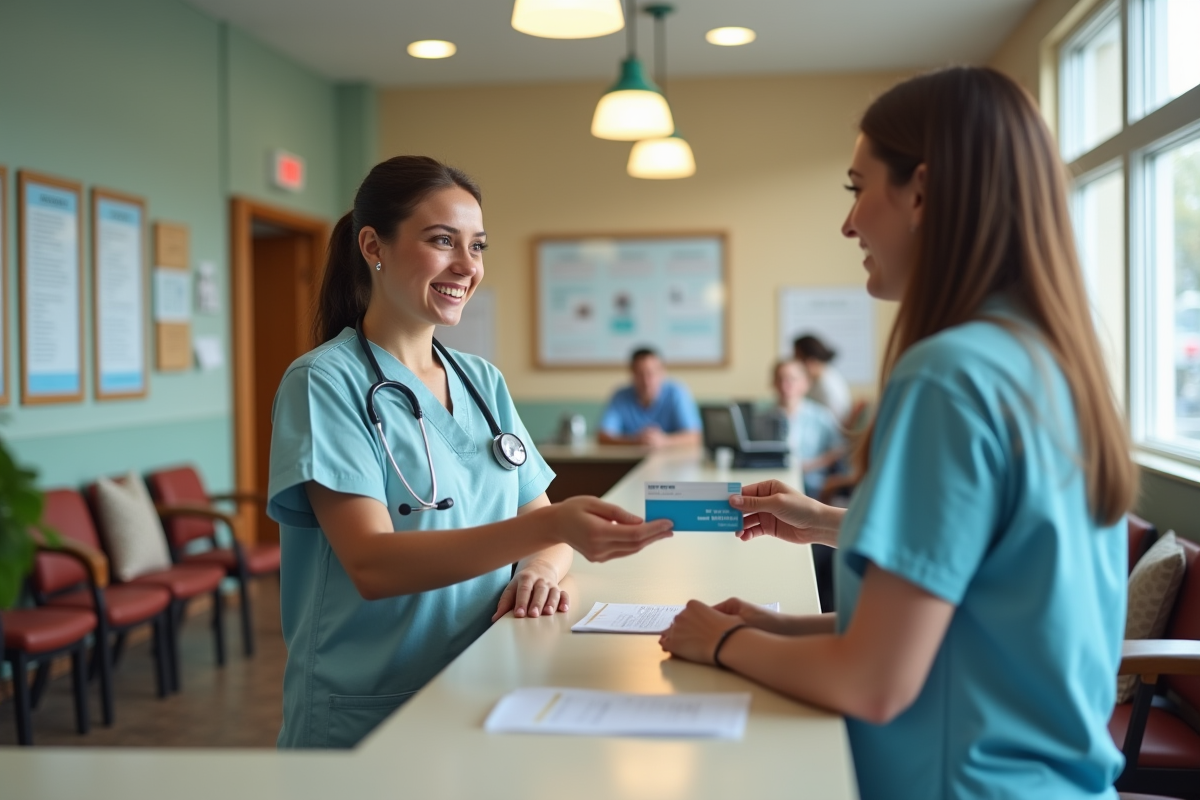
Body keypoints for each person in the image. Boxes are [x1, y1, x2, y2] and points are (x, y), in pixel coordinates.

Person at [660, 67, 1135, 800]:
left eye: (856, 189)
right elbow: (975, 623)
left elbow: (874, 682)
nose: (849, 225)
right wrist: (773, 626)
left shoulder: (949, 373)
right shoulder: (1047, 359)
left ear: (921, 190)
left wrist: (722, 642)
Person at [267, 156, 674, 749]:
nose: (467, 266)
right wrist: (552, 528)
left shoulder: (482, 382)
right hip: (371, 707)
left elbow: (544, 527)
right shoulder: (324, 382)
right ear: (373, 245)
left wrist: (540, 567)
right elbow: (373, 564)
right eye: (442, 241)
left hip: (486, 685)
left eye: (477, 246)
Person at [768, 360, 845, 498]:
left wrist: (809, 466)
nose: (786, 385)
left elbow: (838, 450)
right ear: (773, 383)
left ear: (805, 383)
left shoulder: (821, 416)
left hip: (812, 484)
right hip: (774, 482)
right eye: (780, 379)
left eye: (792, 379)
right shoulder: (765, 417)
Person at [596, 347, 702, 447]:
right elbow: (603, 436)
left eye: (651, 373)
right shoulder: (620, 396)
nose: (646, 381)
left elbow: (695, 436)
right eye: (640, 374)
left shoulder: (676, 393)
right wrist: (634, 441)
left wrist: (664, 441)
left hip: (671, 460)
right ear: (632, 373)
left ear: (662, 372)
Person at [793, 334, 853, 422]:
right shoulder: (822, 377)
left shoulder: (827, 388)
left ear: (810, 361)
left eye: (797, 358)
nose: (795, 364)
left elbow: (834, 425)